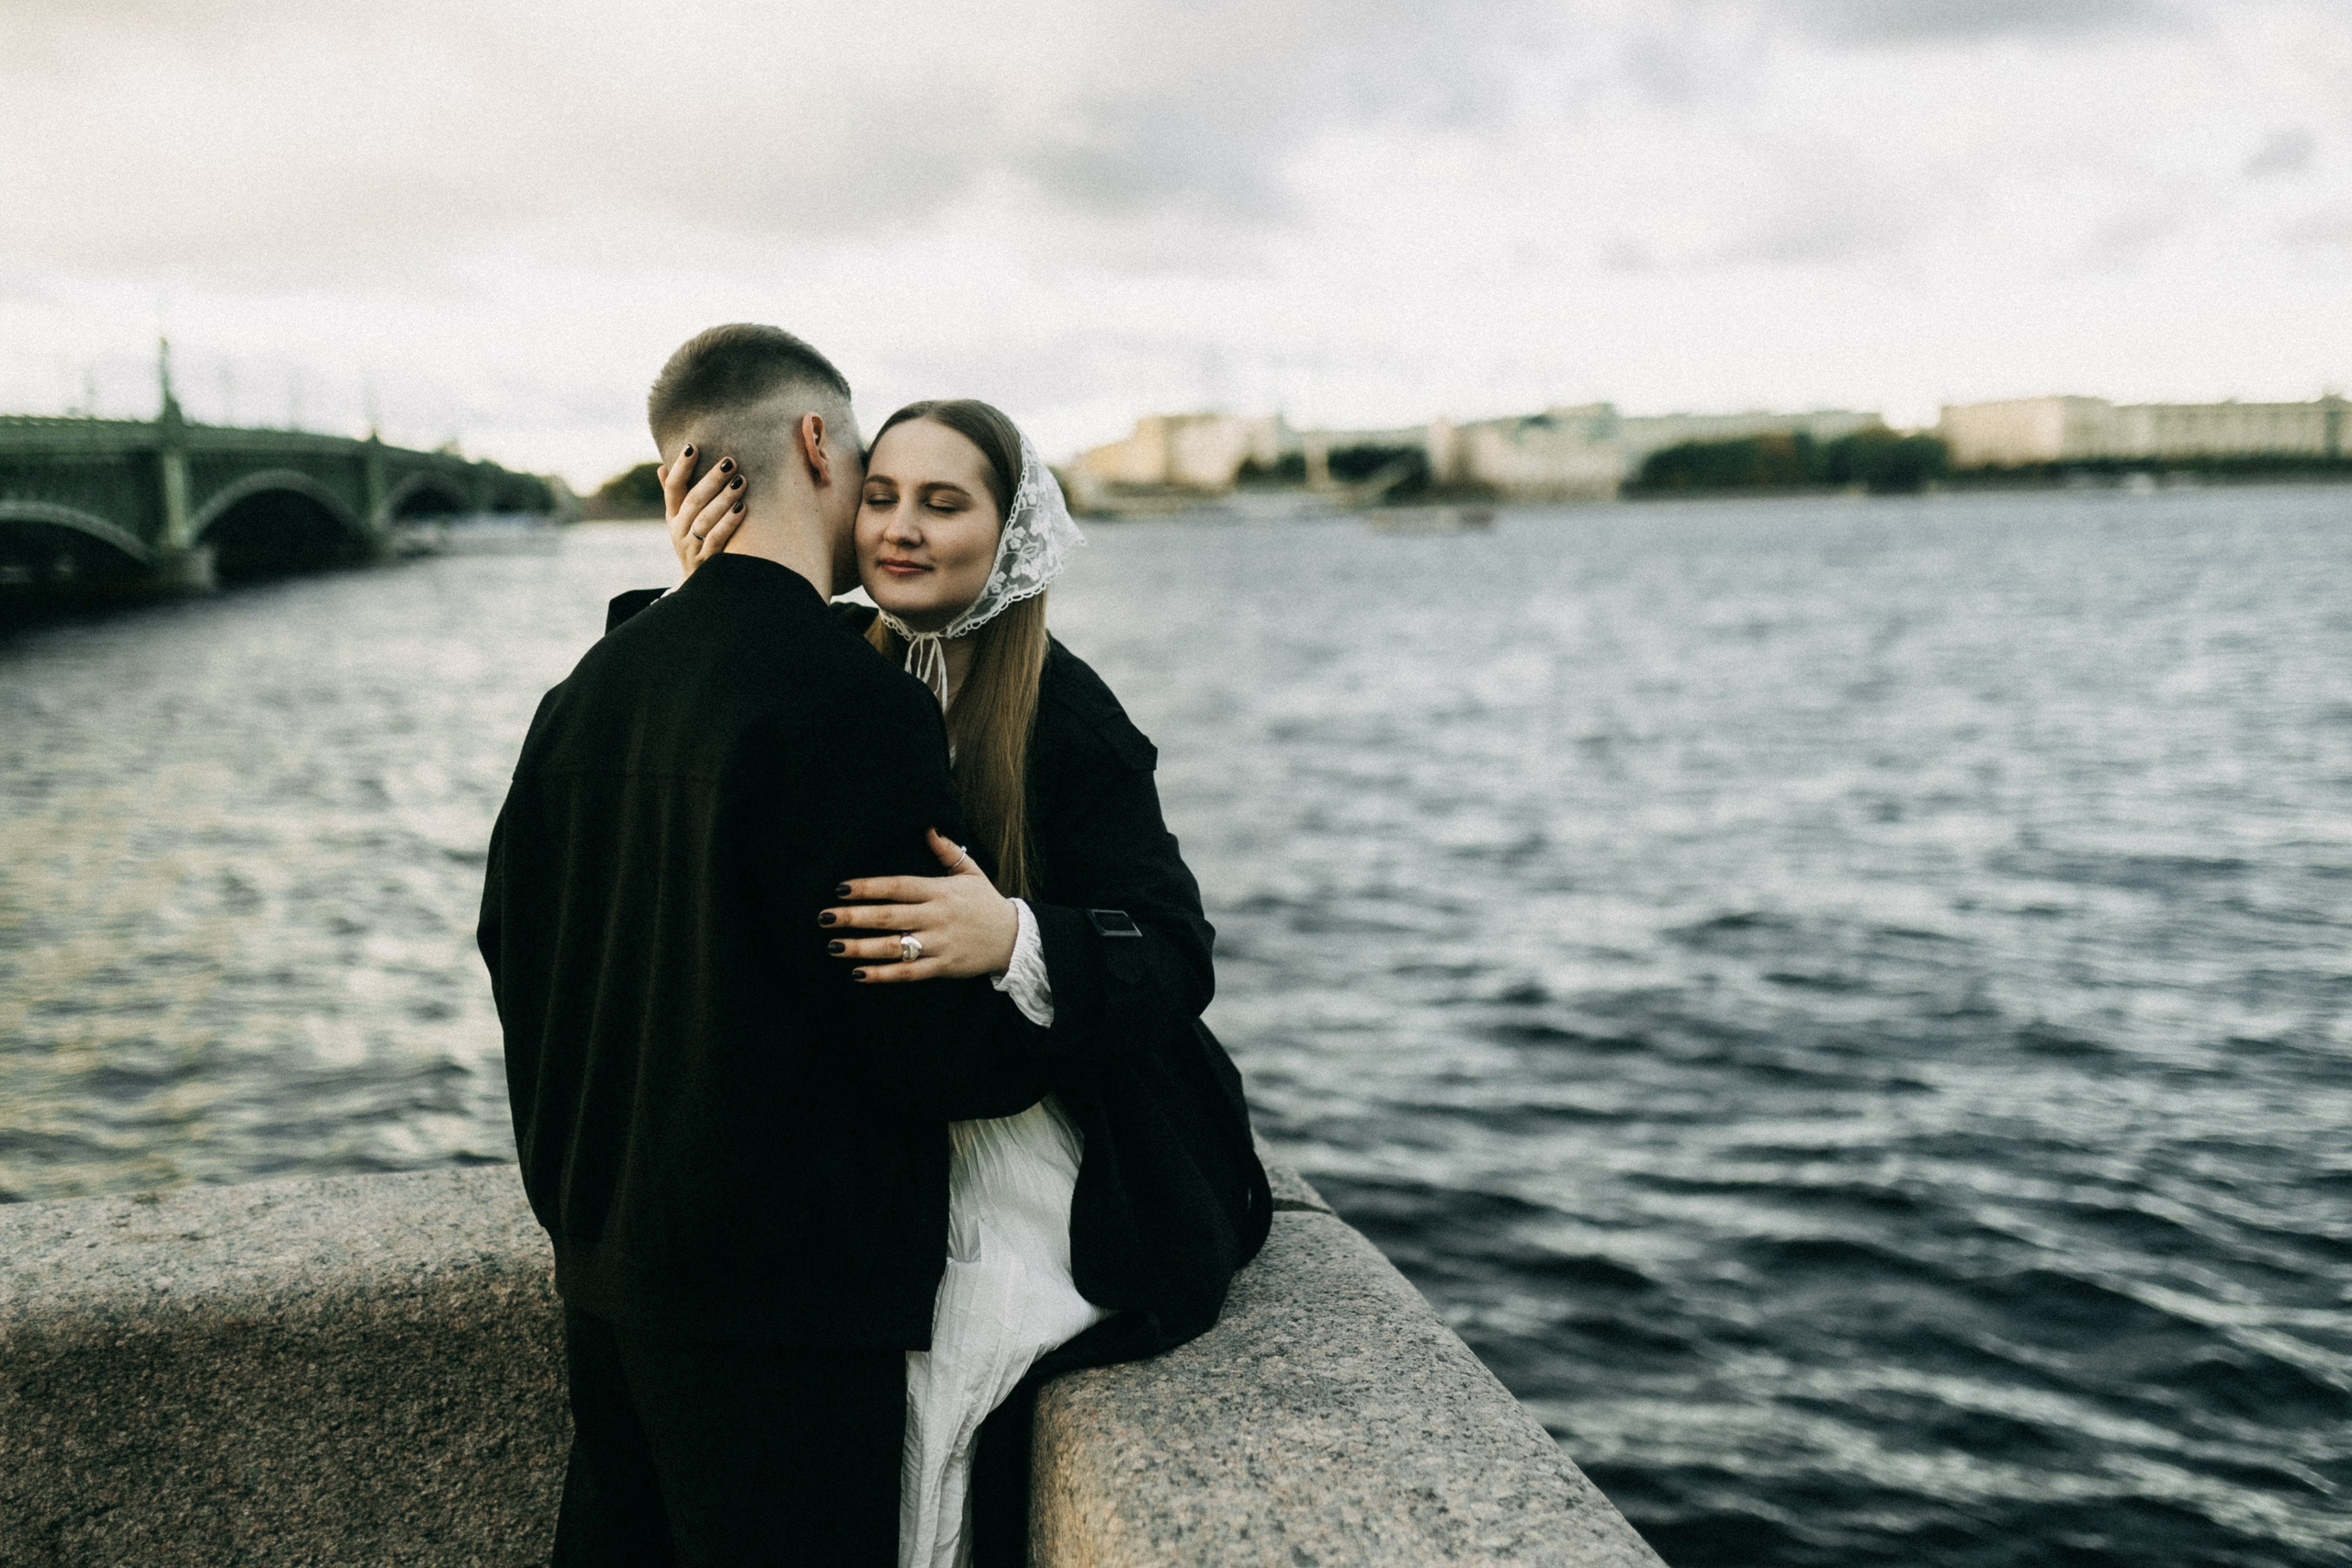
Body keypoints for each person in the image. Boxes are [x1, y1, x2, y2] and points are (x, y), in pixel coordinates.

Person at [620, 397, 1271, 1566]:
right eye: (880, 497)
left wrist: (1013, 932)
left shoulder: (1064, 712)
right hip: (873, 1114)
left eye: (944, 502)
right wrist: (711, 597)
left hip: (1043, 1123)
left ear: (1008, 527)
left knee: (944, 1353)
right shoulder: (825, 669)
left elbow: (1178, 950)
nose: (902, 530)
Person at [478, 326, 1054, 1566]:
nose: (888, 513)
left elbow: (507, 944)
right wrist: (1042, 993)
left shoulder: (587, 688)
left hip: (602, 1280)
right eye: (870, 469)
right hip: (780, 1315)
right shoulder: (853, 706)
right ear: (812, 442)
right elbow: (918, 1040)